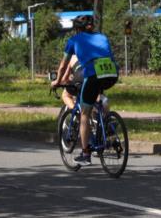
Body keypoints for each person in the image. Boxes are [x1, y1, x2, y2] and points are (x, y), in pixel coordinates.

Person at [51, 15, 119, 166]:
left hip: (93, 75)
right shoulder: (102, 37)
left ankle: (86, 153)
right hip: (112, 74)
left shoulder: (74, 40)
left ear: (76, 29)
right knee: (98, 99)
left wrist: (56, 81)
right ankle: (108, 127)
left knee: (84, 113)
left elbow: (63, 66)